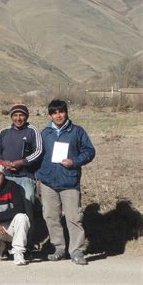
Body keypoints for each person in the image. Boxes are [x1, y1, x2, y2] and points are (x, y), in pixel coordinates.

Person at [37, 99, 95, 265]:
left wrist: (74, 162)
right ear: (50, 115)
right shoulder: (44, 133)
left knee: (74, 218)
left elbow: (89, 151)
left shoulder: (77, 131)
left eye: (61, 111)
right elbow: (37, 155)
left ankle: (76, 251)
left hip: (69, 181)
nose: (58, 115)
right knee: (50, 216)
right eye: (54, 113)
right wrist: (39, 175)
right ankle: (59, 248)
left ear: (66, 112)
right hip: (48, 182)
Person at [0, 102, 42, 245]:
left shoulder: (32, 131)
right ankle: (6, 242)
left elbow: (38, 152)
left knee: (27, 205)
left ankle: (28, 242)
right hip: (6, 176)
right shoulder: (4, 132)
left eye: (21, 115)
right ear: (11, 117)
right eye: (15, 115)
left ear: (26, 116)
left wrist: (22, 162)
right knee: (6, 207)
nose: (18, 118)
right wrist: (2, 162)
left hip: (25, 176)